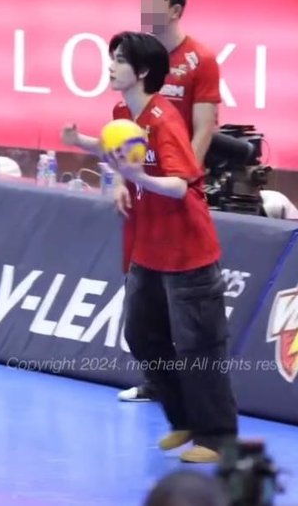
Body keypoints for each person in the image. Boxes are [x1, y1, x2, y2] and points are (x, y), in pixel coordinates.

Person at [61, 31, 238, 463]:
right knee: (141, 335)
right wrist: (83, 143)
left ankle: (217, 439)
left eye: (119, 60)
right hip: (148, 248)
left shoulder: (165, 120)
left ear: (141, 72)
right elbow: (120, 149)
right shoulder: (123, 112)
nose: (110, 66)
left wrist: (138, 178)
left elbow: (179, 185)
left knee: (198, 349)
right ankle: (183, 420)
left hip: (188, 255)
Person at [117, 0, 222, 402]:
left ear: (175, 10)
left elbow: (204, 128)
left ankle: (199, 401)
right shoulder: (138, 58)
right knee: (144, 305)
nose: (144, 9)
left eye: (153, 3)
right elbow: (125, 131)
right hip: (145, 196)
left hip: (177, 193)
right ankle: (157, 383)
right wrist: (122, 181)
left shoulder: (201, 59)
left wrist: (184, 179)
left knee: (185, 309)